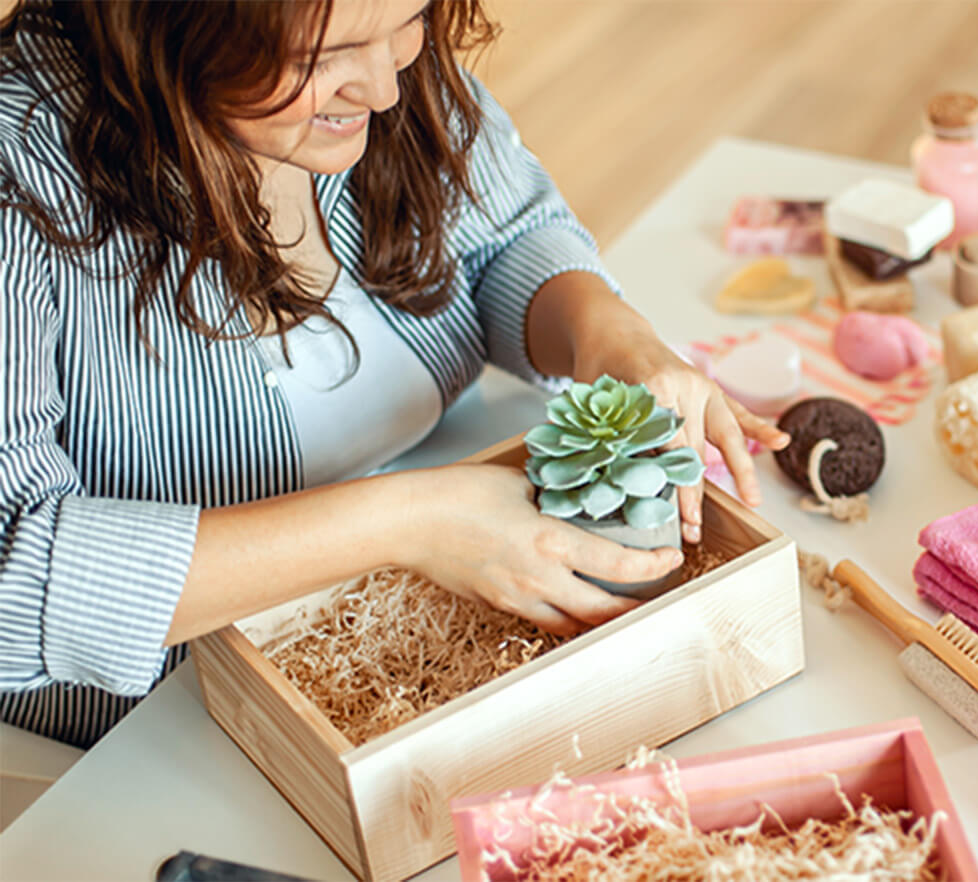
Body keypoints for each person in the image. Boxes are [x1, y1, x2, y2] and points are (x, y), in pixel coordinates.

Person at [0, 0, 788, 748]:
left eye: (409, 18)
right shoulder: (19, 179)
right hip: (161, 735)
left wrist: (610, 334)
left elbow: (502, 240)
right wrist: (407, 523)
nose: (382, 87)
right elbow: (16, 575)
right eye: (324, 56)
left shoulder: (378, 64)